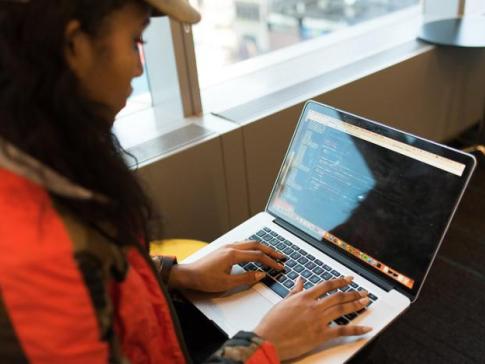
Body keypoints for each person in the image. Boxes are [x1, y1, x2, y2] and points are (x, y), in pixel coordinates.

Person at [0, 0, 372, 362]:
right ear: (75, 45)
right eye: (136, 41)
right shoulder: (37, 263)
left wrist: (176, 274)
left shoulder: (39, 155)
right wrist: (265, 346)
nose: (137, 68)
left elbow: (105, 275)